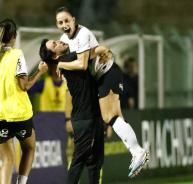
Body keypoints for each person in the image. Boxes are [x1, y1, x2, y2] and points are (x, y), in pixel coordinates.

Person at [50, 6, 148, 178]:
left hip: (107, 73)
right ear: (57, 25)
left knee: (109, 116)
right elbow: (93, 52)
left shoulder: (83, 33)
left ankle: (138, 152)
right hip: (101, 77)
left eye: (67, 20)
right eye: (60, 22)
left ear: (73, 20)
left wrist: (61, 64)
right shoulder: (65, 39)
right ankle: (137, 152)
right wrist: (102, 50)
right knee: (115, 117)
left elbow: (81, 63)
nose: (64, 24)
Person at [0, 19, 48, 184]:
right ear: (14, 37)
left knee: (7, 159)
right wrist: (39, 71)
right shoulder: (16, 55)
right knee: (29, 148)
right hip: (15, 112)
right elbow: (24, 86)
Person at [40, 39, 109, 184]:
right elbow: (100, 49)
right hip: (83, 116)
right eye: (54, 45)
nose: (59, 41)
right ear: (54, 56)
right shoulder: (69, 58)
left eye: (55, 41)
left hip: (92, 114)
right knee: (79, 159)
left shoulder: (69, 61)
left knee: (96, 159)